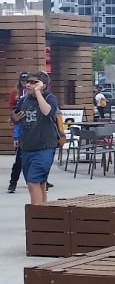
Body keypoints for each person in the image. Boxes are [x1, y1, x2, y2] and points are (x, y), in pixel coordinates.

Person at [14, 72, 61, 205]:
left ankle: (35, 217)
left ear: (43, 85)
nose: (28, 84)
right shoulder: (23, 100)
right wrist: (13, 120)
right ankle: (43, 215)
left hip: (44, 147)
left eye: (33, 82)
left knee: (33, 182)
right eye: (27, 82)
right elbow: (15, 118)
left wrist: (39, 92)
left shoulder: (50, 97)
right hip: (27, 147)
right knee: (39, 183)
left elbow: (47, 112)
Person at [8, 74, 27, 193]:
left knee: (33, 160)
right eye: (23, 81)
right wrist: (16, 137)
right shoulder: (17, 94)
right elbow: (16, 120)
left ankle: (39, 181)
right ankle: (13, 182)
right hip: (22, 130)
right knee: (19, 161)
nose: (25, 83)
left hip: (34, 134)